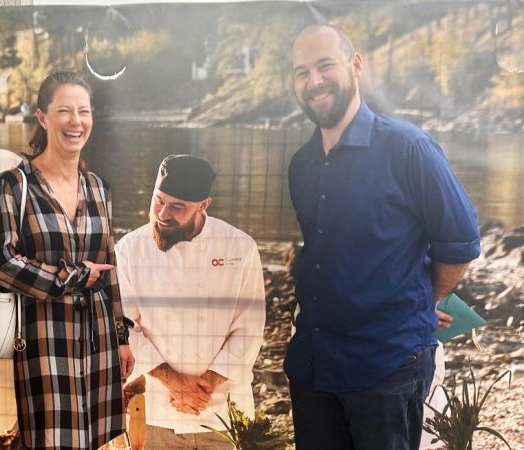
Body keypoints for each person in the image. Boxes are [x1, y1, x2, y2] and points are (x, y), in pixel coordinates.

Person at [286, 24, 480, 449]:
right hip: (314, 365)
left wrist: (419, 302)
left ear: (355, 66)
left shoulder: (409, 148)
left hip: (387, 365)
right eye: (302, 72)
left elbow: (460, 242)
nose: (313, 82)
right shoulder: (301, 165)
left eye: (324, 66)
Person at [0, 71, 135, 450]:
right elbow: (2, 263)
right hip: (44, 338)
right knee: (52, 440)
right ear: (42, 117)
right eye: (64, 110)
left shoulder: (99, 187)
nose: (76, 121)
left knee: (94, 439)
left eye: (83, 111)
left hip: (98, 336)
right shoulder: (12, 185)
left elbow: (110, 265)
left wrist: (121, 338)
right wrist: (72, 276)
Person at [116, 155, 266, 449]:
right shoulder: (129, 249)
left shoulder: (240, 247)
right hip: (153, 410)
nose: (162, 213)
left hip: (222, 411)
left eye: (177, 207)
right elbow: (124, 327)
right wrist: (175, 383)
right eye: (159, 200)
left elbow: (249, 327)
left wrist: (204, 385)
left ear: (204, 205)